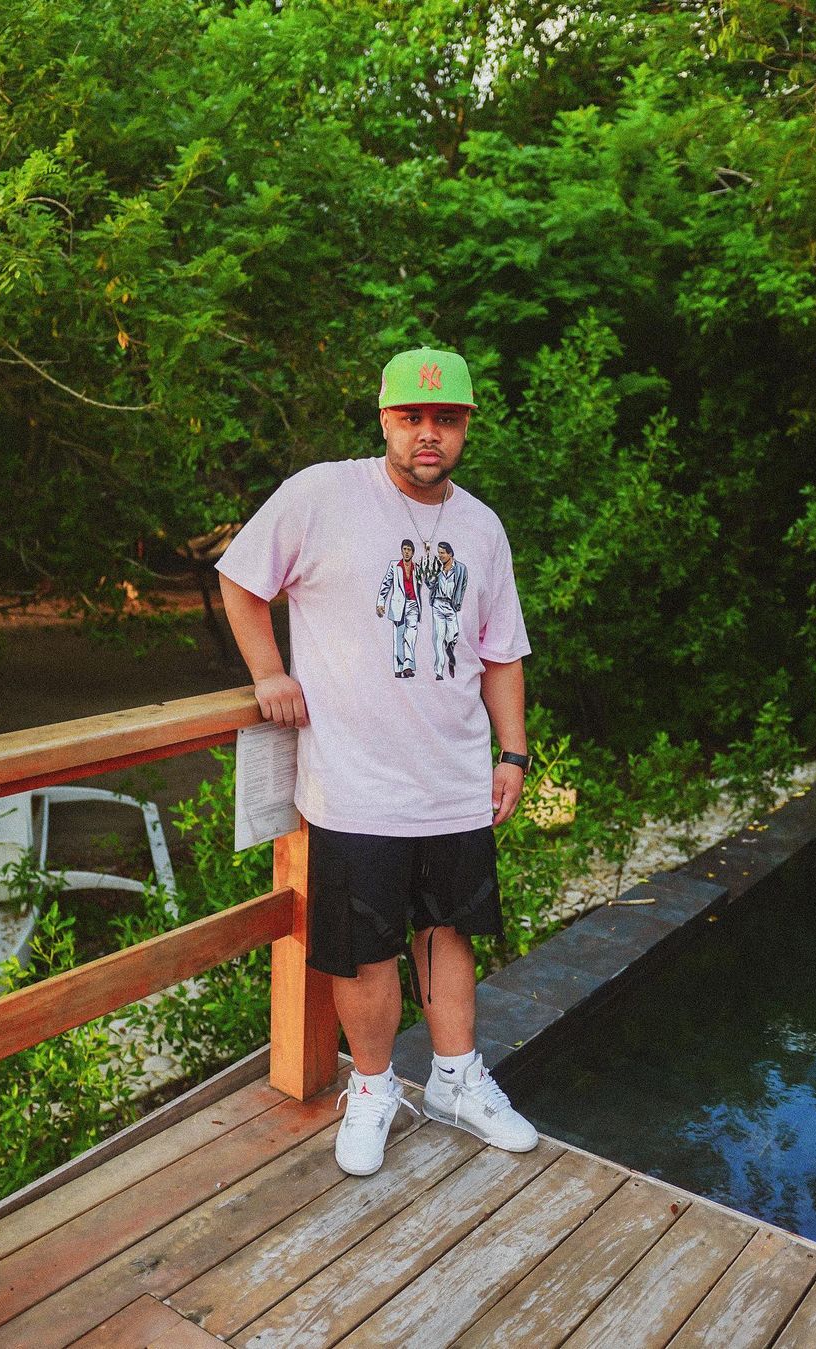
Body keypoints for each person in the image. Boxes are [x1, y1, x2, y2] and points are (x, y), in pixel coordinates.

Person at [217, 345, 538, 1177]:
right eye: (412, 417)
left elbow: (502, 651)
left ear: (466, 427)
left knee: (449, 928)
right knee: (363, 946)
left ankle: (457, 1078)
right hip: (354, 782)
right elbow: (241, 580)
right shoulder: (322, 495)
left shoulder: (482, 527)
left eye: (446, 419)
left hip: (455, 778)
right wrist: (268, 673)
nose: (429, 433)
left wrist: (512, 750)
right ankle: (372, 1088)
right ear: (385, 419)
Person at [377, 538, 422, 677]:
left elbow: (423, 583)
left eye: (409, 550)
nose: (406, 552)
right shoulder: (394, 565)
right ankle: (398, 667)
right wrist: (380, 602)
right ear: (402, 551)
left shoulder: (417, 568)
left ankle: (408, 666)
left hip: (413, 604)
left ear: (413, 552)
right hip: (398, 605)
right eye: (405, 549)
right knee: (399, 636)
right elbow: (386, 583)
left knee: (411, 634)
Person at [427, 541, 467, 680]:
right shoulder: (437, 567)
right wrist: (434, 572)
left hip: (451, 605)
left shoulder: (460, 568)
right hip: (438, 603)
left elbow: (462, 586)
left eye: (442, 553)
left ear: (450, 553)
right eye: (439, 553)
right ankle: (439, 671)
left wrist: (458, 603)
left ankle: (450, 653)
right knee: (438, 638)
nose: (440, 555)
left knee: (453, 635)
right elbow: (429, 584)